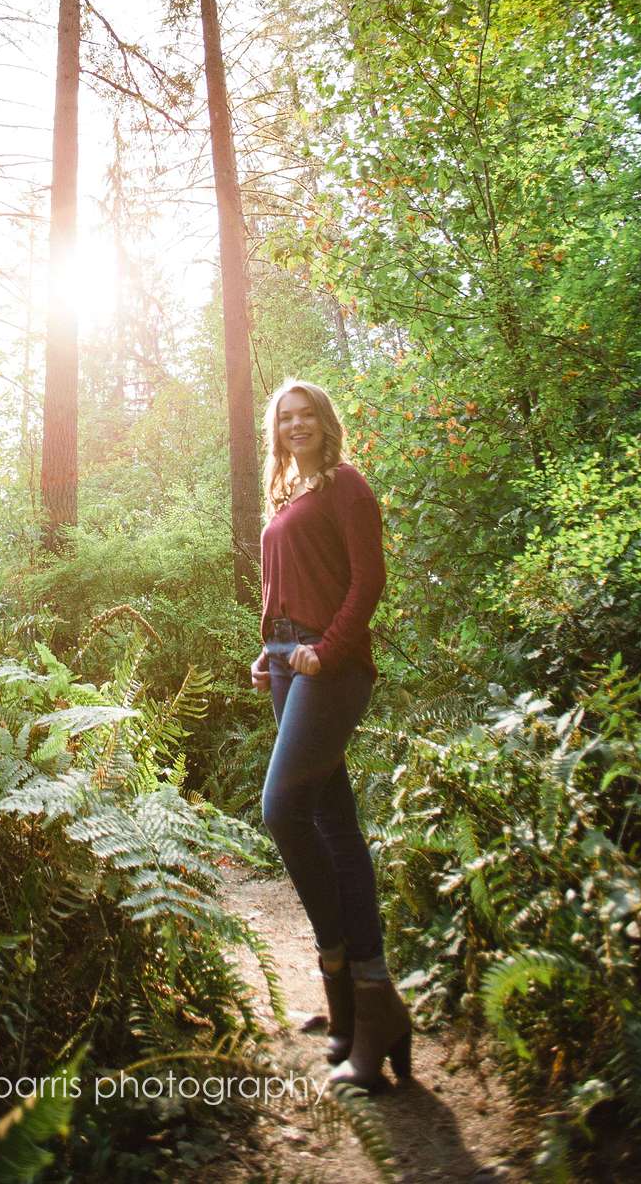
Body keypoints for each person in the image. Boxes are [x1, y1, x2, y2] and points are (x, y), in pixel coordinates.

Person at [249, 377, 412, 1090]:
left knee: (281, 811)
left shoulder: (346, 485)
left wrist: (326, 651)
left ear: (326, 420)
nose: (297, 423)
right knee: (333, 823)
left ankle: (358, 986)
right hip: (290, 663)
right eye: (286, 416)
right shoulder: (287, 493)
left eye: (307, 412)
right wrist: (270, 648)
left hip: (329, 667)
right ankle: (357, 1008)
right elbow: (286, 587)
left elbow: (366, 580)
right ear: (275, 428)